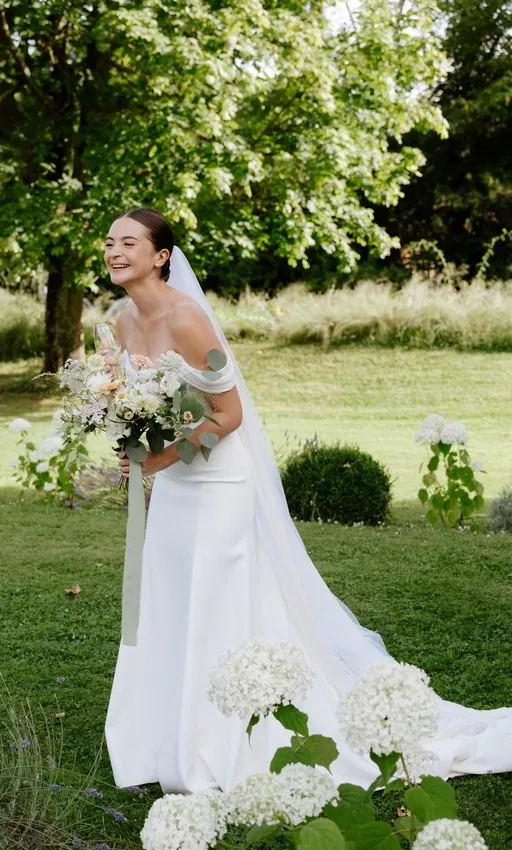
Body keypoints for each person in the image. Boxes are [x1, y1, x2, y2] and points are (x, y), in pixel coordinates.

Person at [104, 207, 512, 794]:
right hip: (171, 483)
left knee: (218, 603)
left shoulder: (190, 320)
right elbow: (136, 399)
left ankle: (222, 745)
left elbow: (230, 414)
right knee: (171, 599)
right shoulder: (120, 321)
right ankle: (162, 736)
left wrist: (163, 458)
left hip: (217, 482)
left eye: (128, 243)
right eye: (110, 243)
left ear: (160, 256)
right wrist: (135, 442)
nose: (115, 252)